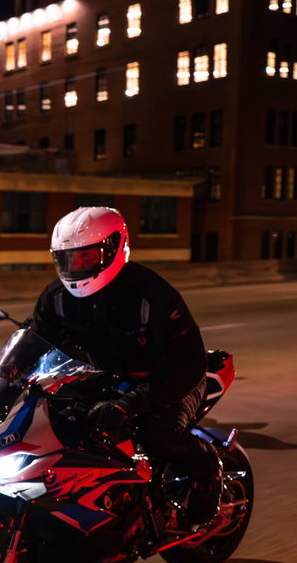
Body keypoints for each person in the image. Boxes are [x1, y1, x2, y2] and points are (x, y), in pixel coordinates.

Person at [25, 205, 221, 538]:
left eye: (86, 257)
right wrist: (4, 376)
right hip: (103, 380)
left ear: (115, 247)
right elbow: (35, 343)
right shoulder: (56, 298)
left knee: (157, 435)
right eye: (67, 259)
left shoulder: (151, 294)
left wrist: (132, 403)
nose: (75, 267)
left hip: (165, 380)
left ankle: (208, 475)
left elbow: (186, 361)